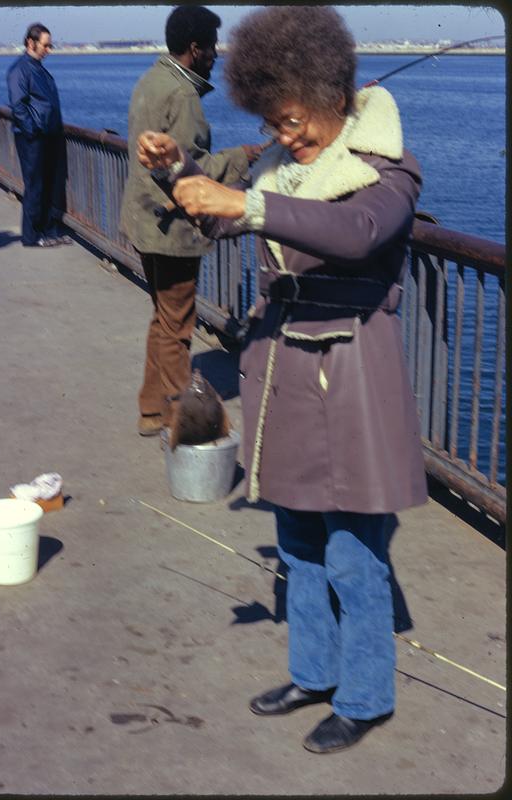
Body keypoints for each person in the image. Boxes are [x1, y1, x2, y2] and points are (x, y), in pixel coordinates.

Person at [137, 5, 428, 754]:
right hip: (282, 368)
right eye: (274, 121)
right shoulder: (279, 166)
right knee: (297, 539)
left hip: (350, 371)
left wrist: (250, 201)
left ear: (332, 93)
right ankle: (314, 671)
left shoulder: (387, 169)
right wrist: (178, 173)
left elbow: (356, 232)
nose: (285, 135)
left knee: (354, 552)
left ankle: (366, 696)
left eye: (294, 119)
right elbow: (224, 220)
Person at [120, 5, 262, 437]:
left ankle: (150, 411)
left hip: (144, 221)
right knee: (178, 327)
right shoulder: (181, 95)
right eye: (212, 47)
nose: (216, 56)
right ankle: (189, 425)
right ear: (195, 48)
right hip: (171, 229)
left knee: (163, 318)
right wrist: (245, 156)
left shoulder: (152, 79)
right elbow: (191, 167)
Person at [7, 22, 71, 248]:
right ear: (30, 42)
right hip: (33, 138)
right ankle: (32, 236)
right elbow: (18, 105)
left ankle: (49, 230)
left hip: (48, 136)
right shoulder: (20, 70)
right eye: (46, 45)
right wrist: (32, 131)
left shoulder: (38, 68)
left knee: (51, 184)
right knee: (35, 185)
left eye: (50, 45)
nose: (49, 50)